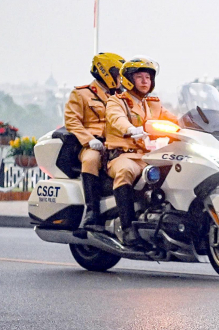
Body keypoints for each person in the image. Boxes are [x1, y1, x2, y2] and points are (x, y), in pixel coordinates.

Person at [105, 57, 177, 246]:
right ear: (129, 79)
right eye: (140, 77)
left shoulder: (153, 103)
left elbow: (175, 120)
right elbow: (116, 118)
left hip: (149, 156)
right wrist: (131, 129)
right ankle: (127, 228)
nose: (146, 81)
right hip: (123, 155)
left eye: (148, 77)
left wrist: (195, 125)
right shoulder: (117, 101)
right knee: (126, 171)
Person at [64, 52, 126, 232]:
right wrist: (89, 140)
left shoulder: (123, 97)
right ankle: (91, 212)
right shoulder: (81, 94)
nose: (119, 77)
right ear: (105, 71)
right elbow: (72, 121)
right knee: (91, 160)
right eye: (117, 73)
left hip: (119, 143)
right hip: (93, 144)